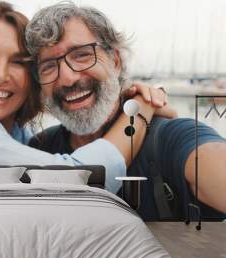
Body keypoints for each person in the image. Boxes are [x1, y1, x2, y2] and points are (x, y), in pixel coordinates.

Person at [0, 1, 170, 221]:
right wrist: (141, 111)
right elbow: (83, 177)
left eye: (19, 62)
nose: (0, 75)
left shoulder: (18, 136)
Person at [25, 2, 226, 221]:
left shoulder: (171, 138)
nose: (67, 78)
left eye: (82, 55)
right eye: (48, 66)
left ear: (116, 61)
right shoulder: (41, 147)